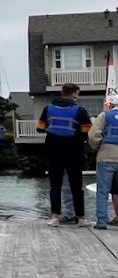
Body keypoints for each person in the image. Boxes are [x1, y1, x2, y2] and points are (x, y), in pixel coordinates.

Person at [38, 81, 91, 226]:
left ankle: (54, 217)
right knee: (76, 185)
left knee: (55, 184)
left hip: (53, 148)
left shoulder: (48, 108)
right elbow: (86, 130)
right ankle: (80, 218)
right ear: (73, 93)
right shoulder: (79, 110)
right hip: (74, 150)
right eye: (77, 93)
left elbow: (40, 127)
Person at [88, 94, 118, 230]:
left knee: (102, 191)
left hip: (106, 156)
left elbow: (94, 135)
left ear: (110, 105)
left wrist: (96, 148)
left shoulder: (104, 116)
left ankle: (101, 221)